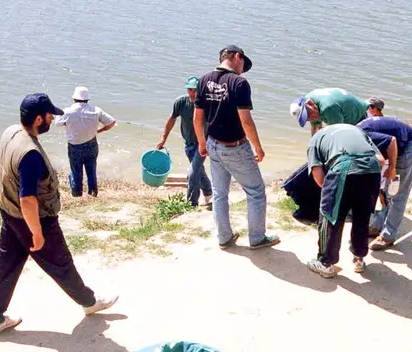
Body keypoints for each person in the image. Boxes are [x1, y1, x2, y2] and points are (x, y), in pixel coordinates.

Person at [0, 93, 117, 337]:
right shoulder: (30, 155)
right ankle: (89, 303)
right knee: (60, 263)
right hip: (35, 219)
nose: (51, 120)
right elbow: (28, 198)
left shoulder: (11, 132)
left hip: (8, 211)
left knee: (5, 262)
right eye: (47, 116)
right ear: (37, 119)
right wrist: (36, 233)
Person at [193, 45, 280, 250]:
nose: (243, 70)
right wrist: (258, 147)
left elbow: (198, 117)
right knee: (256, 191)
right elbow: (246, 121)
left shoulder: (204, 80)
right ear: (237, 57)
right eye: (243, 65)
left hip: (213, 144)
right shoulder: (239, 83)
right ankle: (257, 238)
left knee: (219, 193)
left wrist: (201, 142)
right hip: (235, 147)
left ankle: (224, 237)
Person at [306, 124, 383, 278]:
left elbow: (318, 174)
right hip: (372, 169)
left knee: (330, 215)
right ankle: (359, 259)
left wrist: (332, 192)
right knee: (362, 216)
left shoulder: (315, 139)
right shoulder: (356, 130)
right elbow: (380, 159)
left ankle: (325, 263)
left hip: (344, 167)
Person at [356, 109, 412, 251]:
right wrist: (380, 189)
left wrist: (392, 169)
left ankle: (388, 236)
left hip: (409, 147)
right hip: (397, 146)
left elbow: (392, 142)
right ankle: (378, 226)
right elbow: (379, 162)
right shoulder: (356, 136)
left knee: (398, 193)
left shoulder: (363, 136)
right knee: (387, 191)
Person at [157, 76, 212, 208]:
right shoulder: (181, 102)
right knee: (198, 170)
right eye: (190, 90)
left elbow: (215, 125)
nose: (193, 93)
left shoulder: (208, 105)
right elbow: (171, 120)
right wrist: (163, 138)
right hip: (189, 144)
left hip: (203, 144)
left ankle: (191, 204)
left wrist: (211, 144)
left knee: (192, 173)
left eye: (196, 90)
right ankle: (209, 192)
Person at [55, 86, 116, 197]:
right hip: (92, 144)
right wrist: (100, 130)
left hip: (75, 146)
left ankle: (77, 194)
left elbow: (57, 123)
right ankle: (93, 193)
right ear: (87, 99)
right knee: (91, 170)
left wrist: (68, 124)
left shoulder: (67, 111)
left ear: (74, 98)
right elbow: (111, 122)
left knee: (76, 172)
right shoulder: (96, 110)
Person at [289, 88, 369, 134]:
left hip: (358, 117)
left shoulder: (328, 108)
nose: (310, 119)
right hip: (340, 112)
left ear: (310, 103)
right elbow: (316, 127)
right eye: (306, 118)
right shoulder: (310, 102)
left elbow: (339, 133)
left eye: (308, 114)